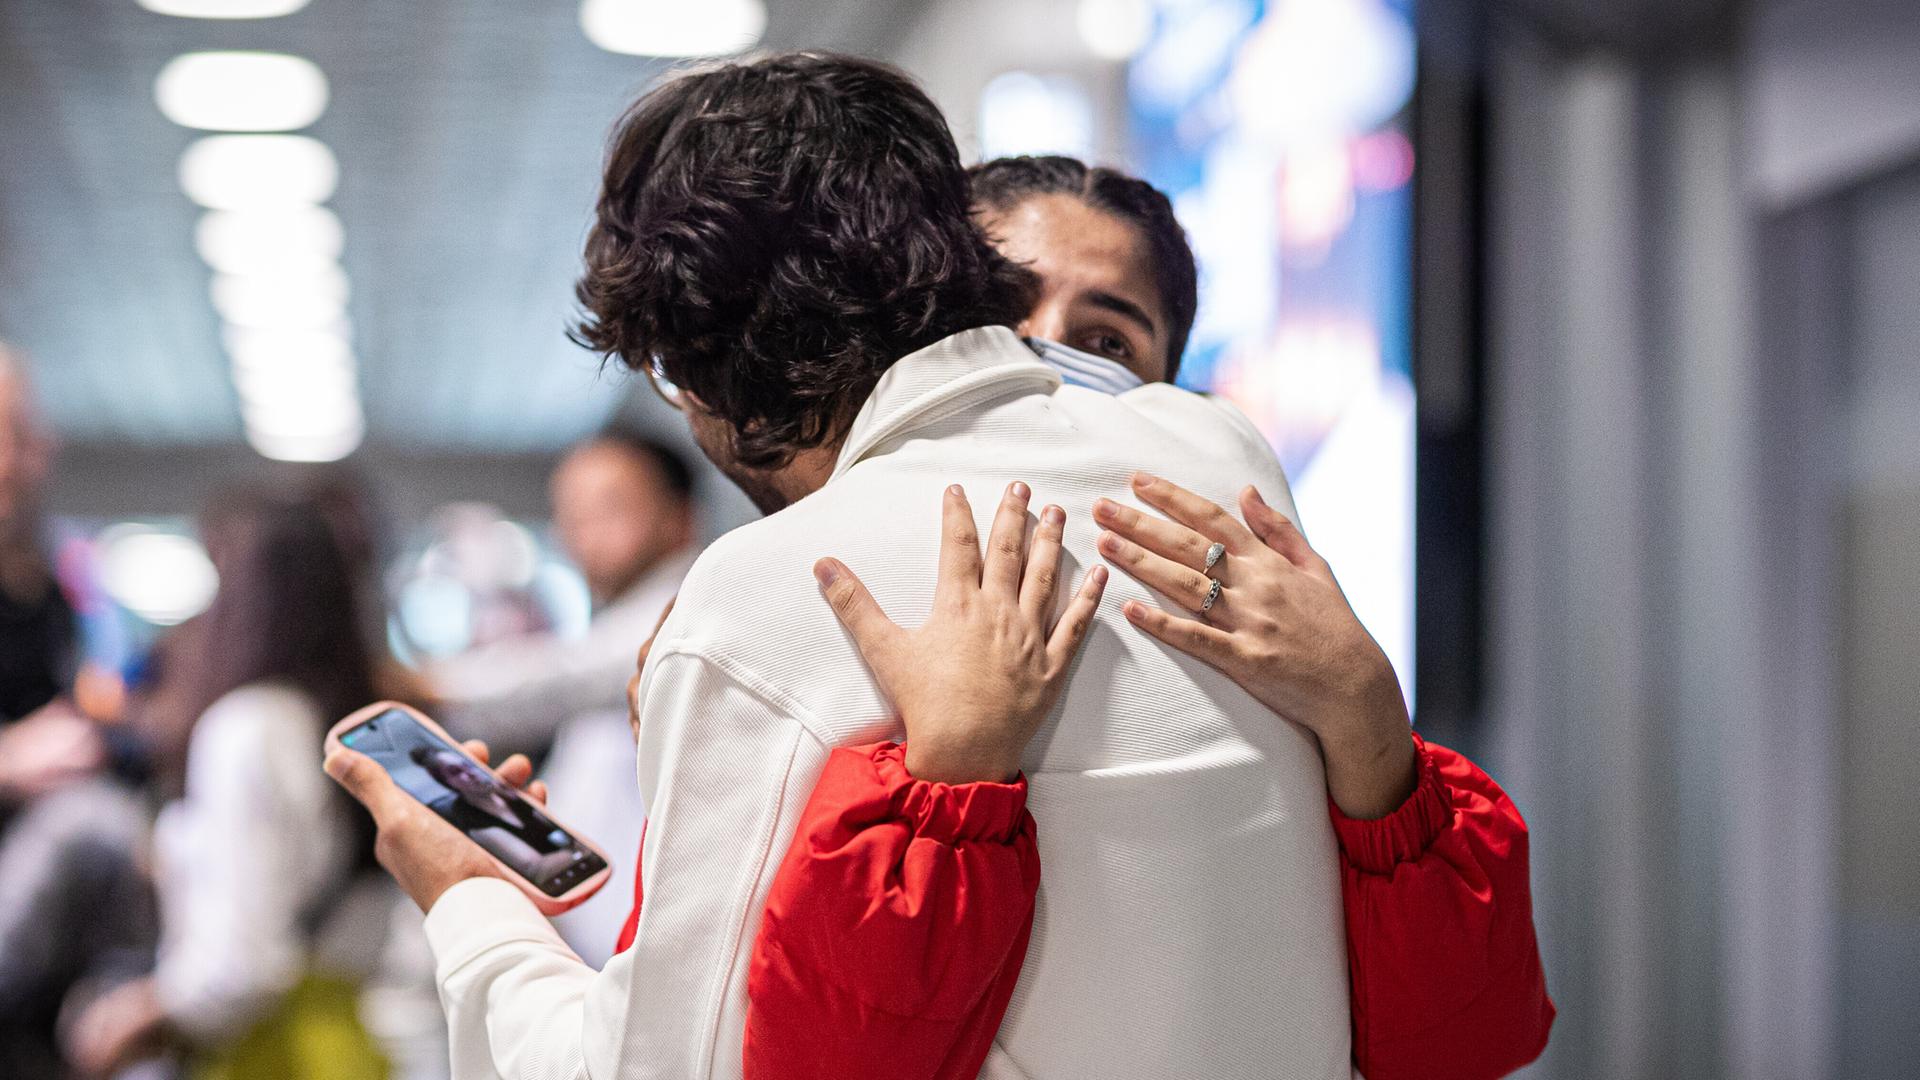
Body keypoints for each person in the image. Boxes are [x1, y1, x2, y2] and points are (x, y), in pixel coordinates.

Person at [329, 51, 1370, 1079]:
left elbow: (659, 1067)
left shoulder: (770, 596)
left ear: (694, 374)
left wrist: (472, 904)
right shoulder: (1220, 456)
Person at [62, 490, 391, 1080]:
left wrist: (140, 1011)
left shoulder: (246, 728)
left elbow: (243, 962)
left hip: (273, 1055)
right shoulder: (343, 717)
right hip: (353, 1036)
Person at [428, 429, 697, 959]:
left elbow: (564, 676)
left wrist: (429, 685)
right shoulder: (613, 622)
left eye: (609, 508)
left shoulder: (686, 605)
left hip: (646, 954)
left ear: (679, 517)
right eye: (570, 514)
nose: (583, 532)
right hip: (602, 949)